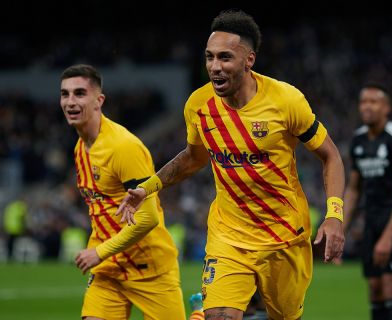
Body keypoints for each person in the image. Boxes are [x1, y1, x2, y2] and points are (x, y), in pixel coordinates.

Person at [117, 9, 345, 320]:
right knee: (220, 316)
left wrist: (334, 215)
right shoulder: (198, 105)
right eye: (209, 57)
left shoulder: (286, 101)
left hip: (284, 236)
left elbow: (330, 155)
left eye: (225, 57)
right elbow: (193, 157)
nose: (214, 67)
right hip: (229, 236)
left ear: (249, 60)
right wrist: (148, 187)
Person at [59, 64, 186, 320]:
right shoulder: (80, 148)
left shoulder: (123, 146)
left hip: (149, 268)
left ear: (99, 100)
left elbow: (148, 218)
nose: (70, 101)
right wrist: (102, 252)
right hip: (108, 270)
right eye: (65, 94)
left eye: (80, 93)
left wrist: (99, 252)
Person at [342, 83, 392, 320]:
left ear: (387, 108)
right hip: (372, 218)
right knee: (374, 288)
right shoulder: (358, 141)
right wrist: (340, 229)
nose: (367, 107)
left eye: (374, 102)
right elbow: (354, 189)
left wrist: (388, 235)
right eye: (363, 102)